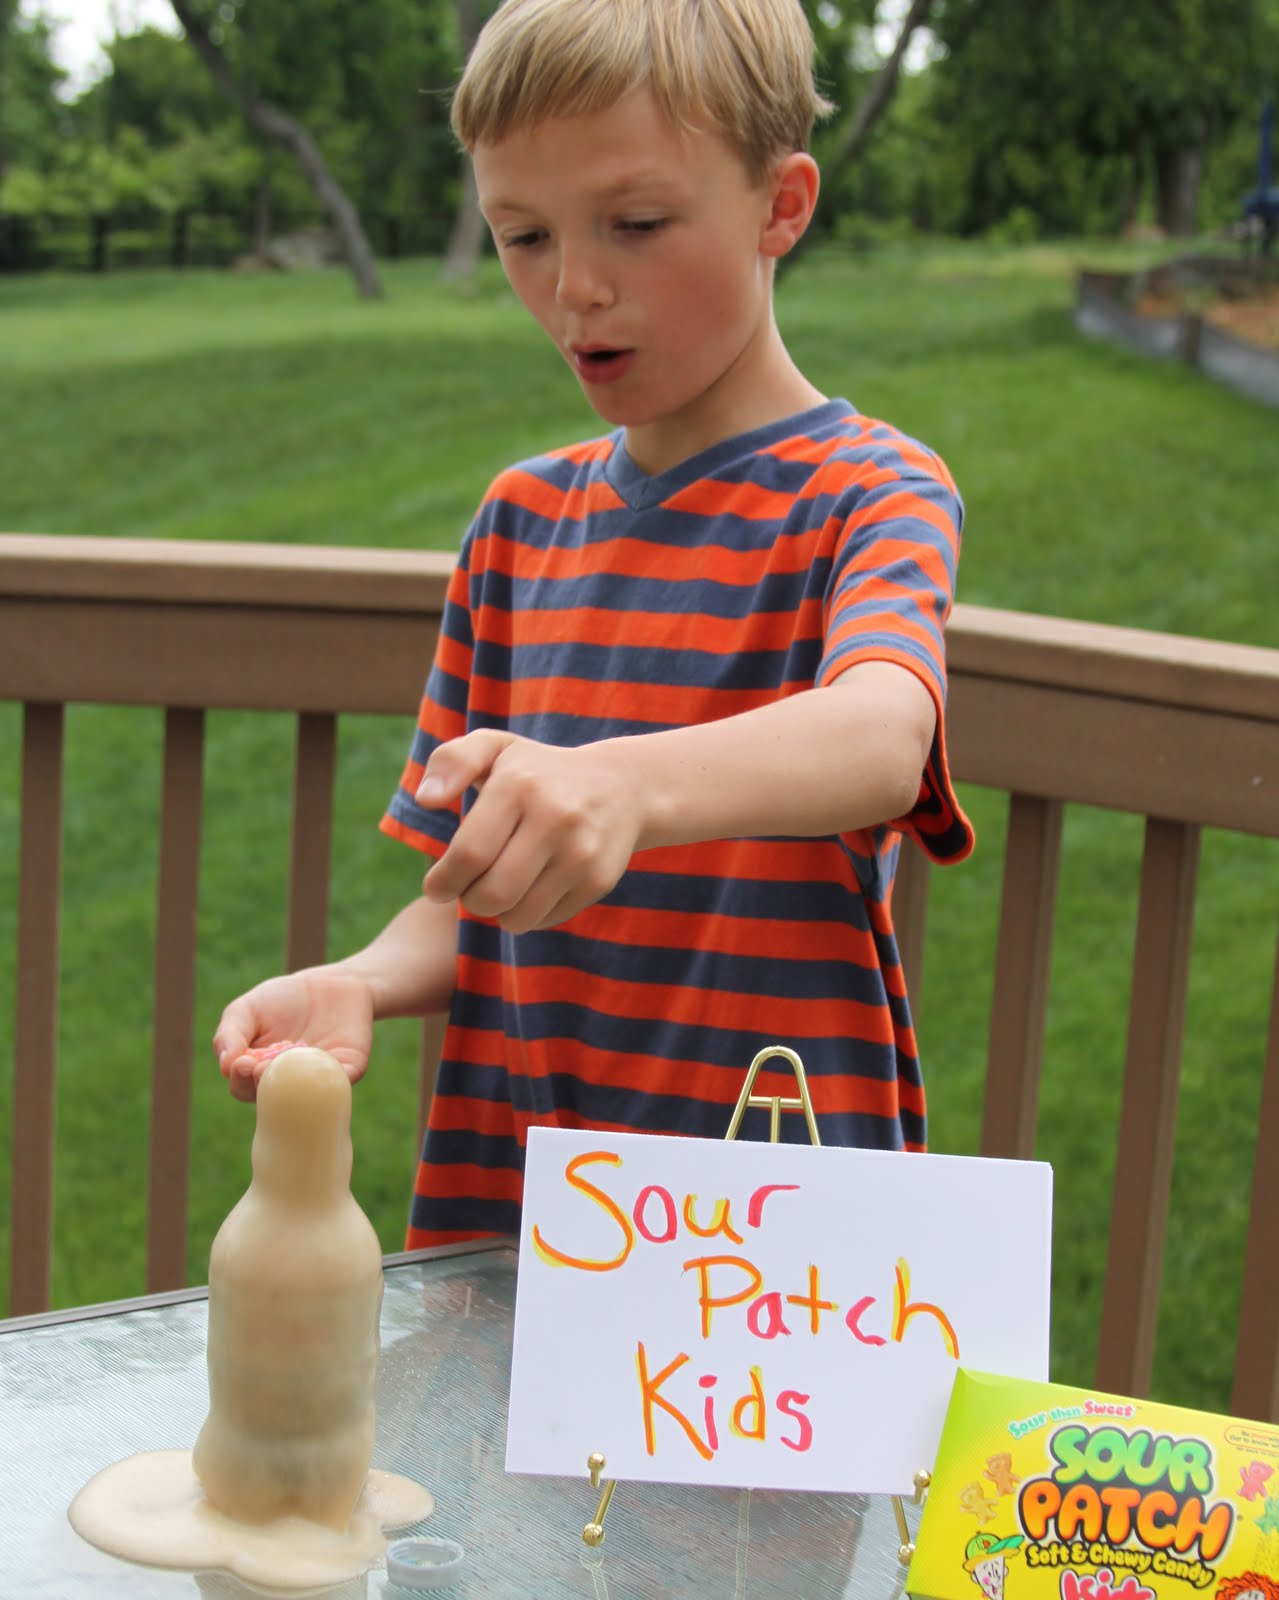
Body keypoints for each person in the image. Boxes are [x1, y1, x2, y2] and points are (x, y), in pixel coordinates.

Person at [213, 0, 975, 1249]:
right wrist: (358, 979)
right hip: (522, 1204)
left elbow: (886, 733)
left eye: (636, 225)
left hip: (769, 1227)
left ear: (781, 204)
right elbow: (475, 894)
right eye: (521, 234)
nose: (574, 287)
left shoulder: (871, 493)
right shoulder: (518, 526)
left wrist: (623, 785)